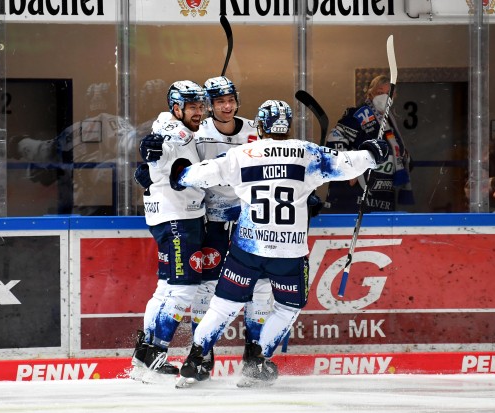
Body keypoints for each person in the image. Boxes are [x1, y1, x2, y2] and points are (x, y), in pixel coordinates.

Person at [168, 99, 389, 388]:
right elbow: (346, 165)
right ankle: (257, 361)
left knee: (223, 307)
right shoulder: (307, 152)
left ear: (260, 126)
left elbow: (200, 174)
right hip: (289, 252)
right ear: (288, 126)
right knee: (287, 308)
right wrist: (372, 153)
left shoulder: (242, 154)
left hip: (247, 248)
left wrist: (180, 173)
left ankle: (195, 361)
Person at [129, 80, 208, 382]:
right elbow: (159, 148)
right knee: (185, 288)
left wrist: (148, 166)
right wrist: (150, 155)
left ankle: (144, 356)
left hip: (172, 217)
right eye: (192, 107)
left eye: (201, 106)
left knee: (166, 288)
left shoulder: (178, 128)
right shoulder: (175, 132)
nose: (199, 112)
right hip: (177, 220)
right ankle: (155, 353)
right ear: (177, 108)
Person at [193, 75, 271, 371]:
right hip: (211, 220)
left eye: (231, 100)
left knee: (260, 284)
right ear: (210, 105)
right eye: (220, 102)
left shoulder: (255, 130)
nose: (228, 106)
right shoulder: (197, 132)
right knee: (208, 285)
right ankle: (201, 352)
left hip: (251, 219)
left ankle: (254, 353)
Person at [325, 74, 413, 213]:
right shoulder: (356, 115)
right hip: (356, 196)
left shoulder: (391, 122)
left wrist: (405, 160)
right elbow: (335, 139)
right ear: (370, 93)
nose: (384, 97)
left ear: (394, 96)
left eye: (388, 93)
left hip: (383, 195)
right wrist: (348, 167)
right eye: (379, 93)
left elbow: (398, 153)